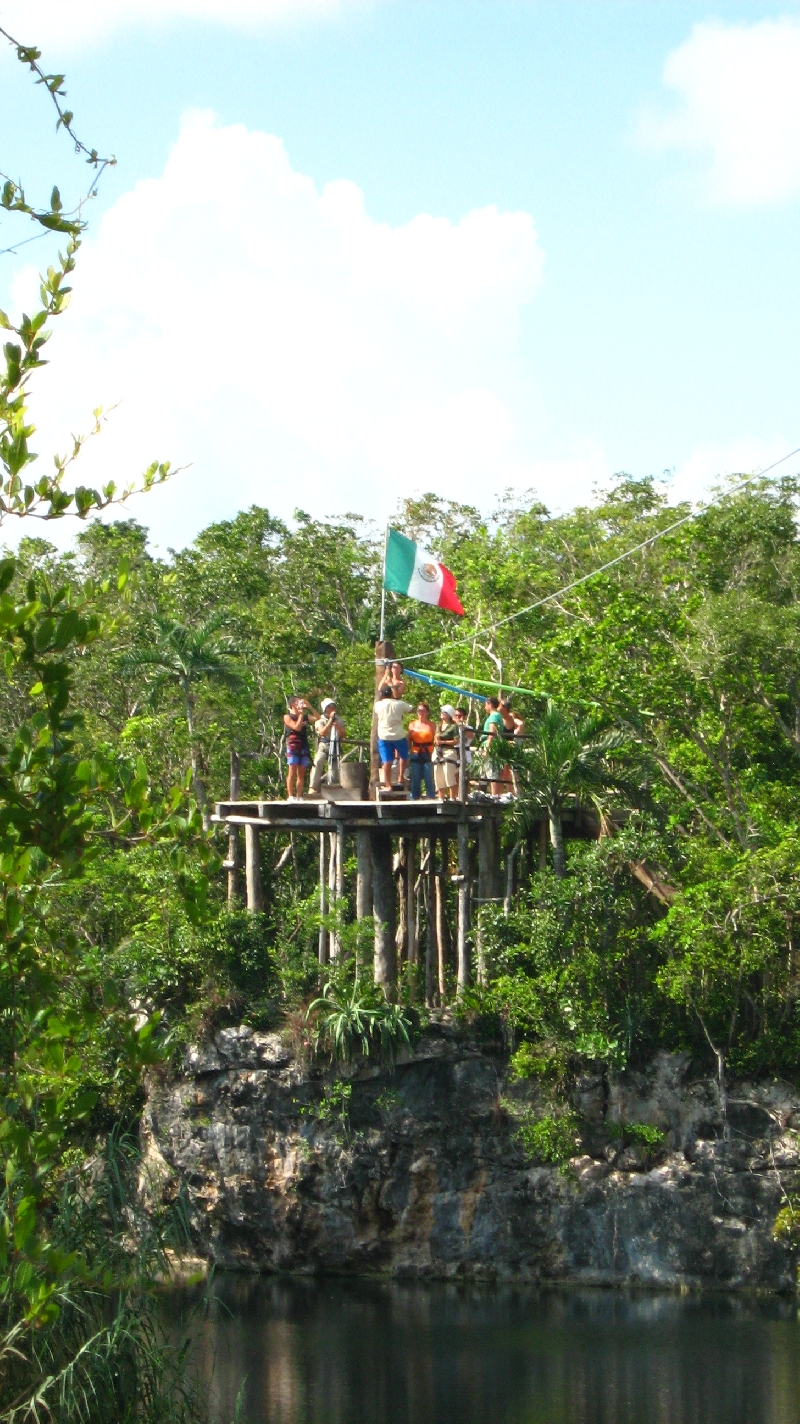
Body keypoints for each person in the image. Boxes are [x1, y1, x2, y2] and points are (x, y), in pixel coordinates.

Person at [374, 684, 413, 791]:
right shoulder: (399, 704)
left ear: (382, 695)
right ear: (391, 693)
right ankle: (401, 777)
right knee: (403, 756)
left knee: (387, 761)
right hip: (398, 734)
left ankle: (388, 785)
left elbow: (379, 703)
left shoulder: (378, 705)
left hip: (384, 735)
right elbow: (411, 709)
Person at [283, 695, 318, 800]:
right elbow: (296, 727)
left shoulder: (305, 717)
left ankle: (299, 795)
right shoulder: (287, 717)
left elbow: (317, 718)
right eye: (298, 702)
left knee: (301, 772)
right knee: (292, 771)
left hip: (303, 745)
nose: (300, 704)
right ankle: (290, 795)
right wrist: (301, 715)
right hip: (293, 745)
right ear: (293, 704)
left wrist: (310, 707)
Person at [309, 697, 344, 795]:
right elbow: (322, 732)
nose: (333, 708)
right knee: (318, 762)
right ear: (326, 708)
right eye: (330, 706)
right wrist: (329, 722)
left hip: (335, 744)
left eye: (333, 706)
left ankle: (332, 786)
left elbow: (344, 735)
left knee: (334, 767)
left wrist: (338, 727)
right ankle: (313, 787)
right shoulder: (320, 719)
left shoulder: (339, 719)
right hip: (324, 744)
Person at [407, 700, 436, 799]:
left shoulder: (432, 725)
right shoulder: (412, 725)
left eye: (423, 711)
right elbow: (408, 740)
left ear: (427, 712)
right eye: (419, 711)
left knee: (429, 776)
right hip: (415, 752)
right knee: (415, 776)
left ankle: (431, 796)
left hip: (429, 753)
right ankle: (415, 797)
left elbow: (436, 739)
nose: (421, 713)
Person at [482, 696, 508, 797]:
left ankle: (494, 796)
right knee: (494, 772)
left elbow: (492, 733)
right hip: (494, 745)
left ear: (489, 704)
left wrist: (486, 749)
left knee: (492, 772)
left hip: (492, 746)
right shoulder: (497, 715)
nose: (485, 708)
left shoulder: (494, 716)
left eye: (485, 705)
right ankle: (497, 795)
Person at [432, 705, 459, 800]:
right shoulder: (438, 726)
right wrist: (437, 741)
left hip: (449, 751)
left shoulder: (453, 727)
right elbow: (436, 739)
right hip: (438, 751)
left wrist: (443, 742)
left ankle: (452, 797)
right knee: (438, 774)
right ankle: (441, 797)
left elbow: (457, 741)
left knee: (449, 774)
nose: (442, 713)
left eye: (444, 712)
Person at [453, 706, 475, 798]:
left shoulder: (468, 727)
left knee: (465, 778)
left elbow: (470, 736)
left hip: (465, 755)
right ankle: (455, 796)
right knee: (455, 778)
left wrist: (461, 725)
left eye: (460, 715)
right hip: (454, 754)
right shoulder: (451, 727)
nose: (458, 717)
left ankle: (467, 796)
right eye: (456, 715)